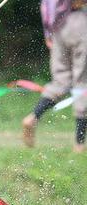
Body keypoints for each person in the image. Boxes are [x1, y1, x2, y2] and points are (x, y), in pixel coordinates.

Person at [22, 0, 87, 153]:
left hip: (58, 27)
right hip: (79, 23)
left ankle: (33, 117)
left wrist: (48, 33)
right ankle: (79, 144)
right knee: (83, 82)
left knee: (60, 82)